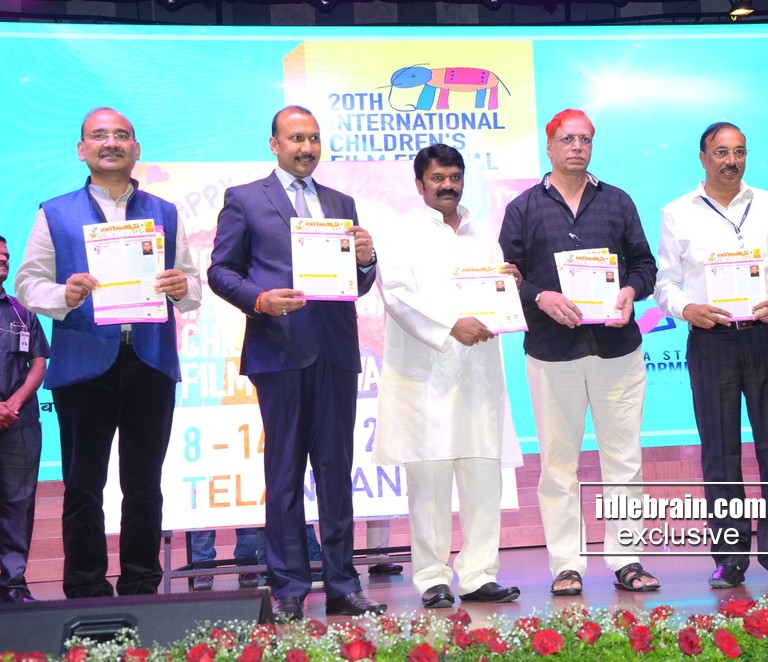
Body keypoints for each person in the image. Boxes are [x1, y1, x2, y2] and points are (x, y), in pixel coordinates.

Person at [15, 107, 201, 598]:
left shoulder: (165, 212)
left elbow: (192, 285)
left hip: (150, 362)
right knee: (82, 485)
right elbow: (28, 283)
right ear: (82, 150)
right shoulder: (54, 211)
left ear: (136, 148)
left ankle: (142, 585)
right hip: (84, 365)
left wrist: (182, 286)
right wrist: (65, 294)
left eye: (121, 135)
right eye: (99, 136)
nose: (111, 143)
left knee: (144, 485)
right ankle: (85, 588)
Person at [208, 105, 384, 620]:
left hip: (336, 351)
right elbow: (220, 271)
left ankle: (343, 585)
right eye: (296, 138)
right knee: (284, 472)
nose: (306, 148)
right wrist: (259, 299)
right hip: (279, 350)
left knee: (335, 472)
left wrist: (367, 259)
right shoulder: (244, 199)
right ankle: (287, 587)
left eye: (313, 139)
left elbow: (357, 285)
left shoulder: (341, 202)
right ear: (275, 144)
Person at [499, 109, 659, 596]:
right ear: (549, 146)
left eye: (585, 140)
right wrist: (540, 297)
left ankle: (626, 558)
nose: (577, 147)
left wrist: (631, 291)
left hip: (617, 350)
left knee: (624, 460)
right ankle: (566, 565)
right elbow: (508, 278)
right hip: (552, 352)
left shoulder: (617, 201)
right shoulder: (523, 208)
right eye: (568, 139)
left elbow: (645, 265)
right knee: (558, 465)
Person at [654, 122, 768, 588]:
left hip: (765, 335)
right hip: (711, 339)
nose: (731, 160)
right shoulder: (677, 212)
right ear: (703, 158)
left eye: (739, 151)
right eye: (721, 152)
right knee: (719, 454)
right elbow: (665, 284)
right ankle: (730, 558)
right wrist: (686, 309)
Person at [373, 144, 522, 609]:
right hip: (426, 376)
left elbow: (494, 292)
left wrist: (508, 286)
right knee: (430, 483)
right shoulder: (400, 232)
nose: (448, 186)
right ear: (420, 184)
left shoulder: (483, 233)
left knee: (483, 477)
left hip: (479, 372)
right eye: (438, 178)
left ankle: (479, 575)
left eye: (454, 177)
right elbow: (396, 295)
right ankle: (432, 578)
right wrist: (449, 326)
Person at [0, 236, 49, 603]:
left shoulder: (22, 311)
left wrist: (13, 403)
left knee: (18, 503)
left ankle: (13, 582)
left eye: (6, 255)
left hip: (18, 421)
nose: (3, 259)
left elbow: (38, 362)